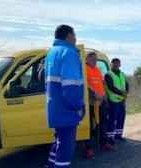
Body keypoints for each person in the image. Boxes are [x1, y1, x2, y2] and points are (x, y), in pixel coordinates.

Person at [45, 25, 85, 168]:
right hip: (66, 108)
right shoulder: (68, 53)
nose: (75, 39)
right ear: (69, 36)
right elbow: (70, 86)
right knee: (66, 147)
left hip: (55, 106)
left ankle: (50, 165)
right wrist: (79, 106)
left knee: (58, 141)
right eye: (75, 36)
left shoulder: (51, 53)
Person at [82, 52, 115, 159]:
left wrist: (104, 94)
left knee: (102, 123)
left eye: (96, 59)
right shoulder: (84, 69)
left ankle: (103, 144)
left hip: (100, 101)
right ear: (86, 59)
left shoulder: (96, 69)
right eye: (92, 59)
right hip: (90, 102)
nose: (95, 61)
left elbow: (101, 83)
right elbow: (84, 85)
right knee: (89, 126)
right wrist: (95, 94)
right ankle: (87, 149)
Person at [105, 58, 129, 145]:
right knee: (111, 120)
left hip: (122, 100)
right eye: (114, 63)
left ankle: (118, 136)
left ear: (120, 64)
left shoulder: (122, 74)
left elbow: (126, 85)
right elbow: (111, 87)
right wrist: (121, 93)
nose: (116, 64)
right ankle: (110, 138)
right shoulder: (108, 75)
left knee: (121, 118)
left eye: (117, 63)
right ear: (111, 64)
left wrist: (126, 92)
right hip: (113, 100)